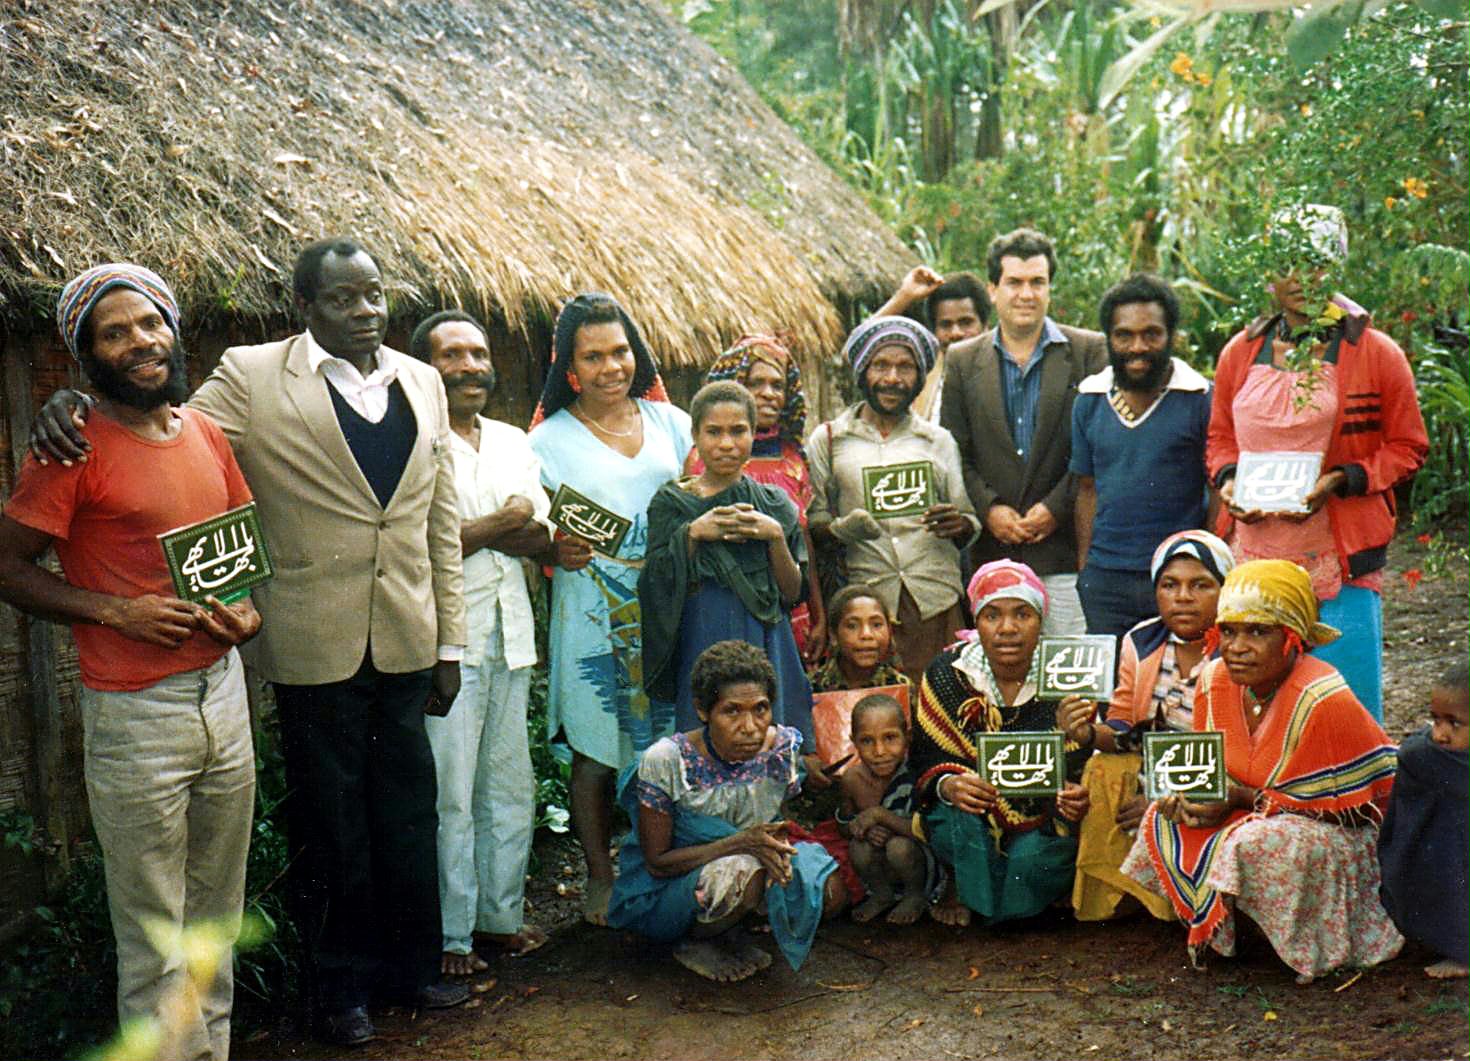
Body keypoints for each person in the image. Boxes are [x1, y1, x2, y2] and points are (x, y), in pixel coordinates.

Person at [28, 240, 471, 1045]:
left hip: (405, 633)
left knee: (408, 812)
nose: (364, 310)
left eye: (373, 295)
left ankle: (412, 967)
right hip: (307, 641)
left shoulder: (424, 379)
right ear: (305, 306)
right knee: (329, 822)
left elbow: (438, 514)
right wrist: (62, 405)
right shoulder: (254, 374)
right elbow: (161, 417)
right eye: (342, 298)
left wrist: (451, 640)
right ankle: (340, 991)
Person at [0, 266, 260, 1061]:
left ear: (172, 328)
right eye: (114, 333)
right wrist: (117, 610)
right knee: (155, 934)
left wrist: (247, 612)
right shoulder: (70, 446)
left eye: (149, 323)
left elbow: (237, 547)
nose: (140, 341)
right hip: (136, 711)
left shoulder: (204, 431)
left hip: (225, 694)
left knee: (215, 920)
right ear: (86, 356)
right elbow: (8, 565)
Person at [1121, 559, 1402, 982]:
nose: (1236, 646)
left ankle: (1296, 941)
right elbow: (1209, 771)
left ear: (1292, 639)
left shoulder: (1323, 697)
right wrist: (1191, 798)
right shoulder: (1214, 680)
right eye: (1229, 631)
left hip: (1331, 833)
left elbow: (1365, 810)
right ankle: (1229, 929)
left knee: (1259, 840)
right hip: (1250, 812)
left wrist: (1242, 800)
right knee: (1165, 820)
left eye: (1257, 632)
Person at [1206, 205, 1427, 721]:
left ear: (1336, 267)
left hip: (1336, 561)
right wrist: (1230, 479)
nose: (1302, 279)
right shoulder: (1241, 352)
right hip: (1254, 555)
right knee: (1256, 713)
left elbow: (1408, 445)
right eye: (1287, 265)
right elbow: (1220, 437)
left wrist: (1344, 479)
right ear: (1268, 275)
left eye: (1317, 263)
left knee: (1343, 709)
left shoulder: (1374, 353)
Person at [528, 292, 692, 926]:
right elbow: (531, 526)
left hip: (668, 612)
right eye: (592, 356)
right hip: (591, 613)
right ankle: (600, 877)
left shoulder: (671, 425)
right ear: (569, 369)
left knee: (670, 739)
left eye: (619, 351)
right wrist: (550, 545)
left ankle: (671, 864)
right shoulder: (545, 441)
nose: (610, 367)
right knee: (598, 748)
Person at [409, 311, 550, 973]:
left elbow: (540, 534)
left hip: (510, 631)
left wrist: (483, 529)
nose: (469, 366)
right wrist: (506, 519)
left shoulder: (510, 439)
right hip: (446, 641)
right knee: (450, 789)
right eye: (452, 355)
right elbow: (425, 541)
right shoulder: (411, 440)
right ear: (423, 368)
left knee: (509, 782)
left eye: (478, 353)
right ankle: (451, 937)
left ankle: (499, 918)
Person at [606, 641, 842, 982]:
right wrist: (741, 843)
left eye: (760, 709)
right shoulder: (668, 761)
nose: (749, 726)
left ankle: (732, 930)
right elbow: (657, 863)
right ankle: (691, 941)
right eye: (732, 711)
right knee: (744, 874)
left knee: (827, 889)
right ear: (703, 710)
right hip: (668, 889)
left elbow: (769, 822)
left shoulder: (779, 749)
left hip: (744, 856)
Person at [941, 228, 1107, 635]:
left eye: (1038, 282)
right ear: (992, 289)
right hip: (991, 555)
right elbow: (953, 449)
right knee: (1002, 679)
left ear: (1050, 287)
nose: (1026, 294)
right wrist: (988, 508)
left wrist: (1055, 507)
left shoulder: (1088, 351)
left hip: (1063, 553)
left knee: (1067, 679)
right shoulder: (962, 360)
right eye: (1014, 282)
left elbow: (1098, 447)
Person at [909, 560, 1092, 927]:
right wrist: (949, 784)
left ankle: (1002, 900)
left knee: (1034, 863)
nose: (1007, 628)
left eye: (1022, 614)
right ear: (976, 621)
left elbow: (1083, 758)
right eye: (992, 615)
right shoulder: (947, 674)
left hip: (1042, 814)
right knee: (956, 824)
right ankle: (972, 888)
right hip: (972, 814)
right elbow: (927, 757)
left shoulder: (1069, 673)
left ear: (1041, 620)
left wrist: (1075, 791)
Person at [1068, 530, 1235, 922]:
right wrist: (1087, 733)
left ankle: (1175, 901)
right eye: (1169, 585)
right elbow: (1123, 725)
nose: (1183, 597)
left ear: (1225, 590)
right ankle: (1119, 895)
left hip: (1214, 778)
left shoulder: (1236, 649)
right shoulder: (1141, 641)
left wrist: (1162, 800)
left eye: (1201, 585)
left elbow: (1232, 751)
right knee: (1102, 768)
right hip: (1149, 764)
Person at [640, 380, 814, 750]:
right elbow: (653, 582)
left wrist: (775, 538)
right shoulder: (672, 503)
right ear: (695, 436)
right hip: (702, 632)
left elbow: (792, 592)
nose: (726, 443)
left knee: (763, 738)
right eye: (713, 432)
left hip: (765, 636)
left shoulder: (774, 504)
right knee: (707, 741)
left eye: (738, 431)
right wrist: (691, 535)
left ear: (754, 433)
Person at [807, 316, 979, 684]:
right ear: (862, 371)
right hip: (866, 605)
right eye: (880, 365)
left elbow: (967, 519)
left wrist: (958, 524)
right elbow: (814, 523)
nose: (893, 378)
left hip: (933, 598)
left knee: (941, 702)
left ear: (920, 376)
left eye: (906, 367)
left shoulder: (937, 440)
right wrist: (841, 530)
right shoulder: (830, 440)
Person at [1072, 274, 1213, 638]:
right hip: (1106, 580)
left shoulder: (1200, 398)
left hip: (1178, 579)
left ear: (1171, 336)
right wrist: (1086, 569)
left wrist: (1206, 569)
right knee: (1113, 691)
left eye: (1151, 334)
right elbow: (1087, 489)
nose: (1138, 346)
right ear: (1109, 338)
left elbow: (1216, 492)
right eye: (1124, 335)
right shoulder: (1089, 399)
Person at [691, 335, 826, 658]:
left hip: (790, 605)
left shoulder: (794, 458)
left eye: (777, 385)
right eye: (756, 383)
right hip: (729, 608)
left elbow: (803, 542)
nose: (768, 394)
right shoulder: (705, 458)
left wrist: (819, 615)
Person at [1378, 659, 1470, 979]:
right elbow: (1410, 755)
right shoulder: (1427, 756)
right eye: (1436, 720)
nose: (1441, 735)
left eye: (1454, 724)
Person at [837, 694, 947, 924]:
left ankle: (915, 896)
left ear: (907, 737)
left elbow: (928, 831)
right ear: (853, 741)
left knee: (899, 847)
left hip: (917, 864)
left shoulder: (917, 775)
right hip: (880, 868)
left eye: (890, 738)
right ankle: (881, 894)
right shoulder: (852, 779)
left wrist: (880, 816)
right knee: (858, 848)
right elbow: (843, 825)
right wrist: (861, 829)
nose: (879, 751)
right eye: (867, 741)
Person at [872, 266, 990, 422]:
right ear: (934, 331)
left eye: (966, 322)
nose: (956, 333)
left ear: (986, 325)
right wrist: (904, 296)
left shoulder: (1003, 372)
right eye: (946, 325)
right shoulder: (923, 377)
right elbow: (853, 352)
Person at [807, 583, 910, 694]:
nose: (866, 635)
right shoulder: (811, 688)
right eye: (852, 626)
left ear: (889, 630)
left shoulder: (902, 687)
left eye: (876, 625)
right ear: (833, 635)